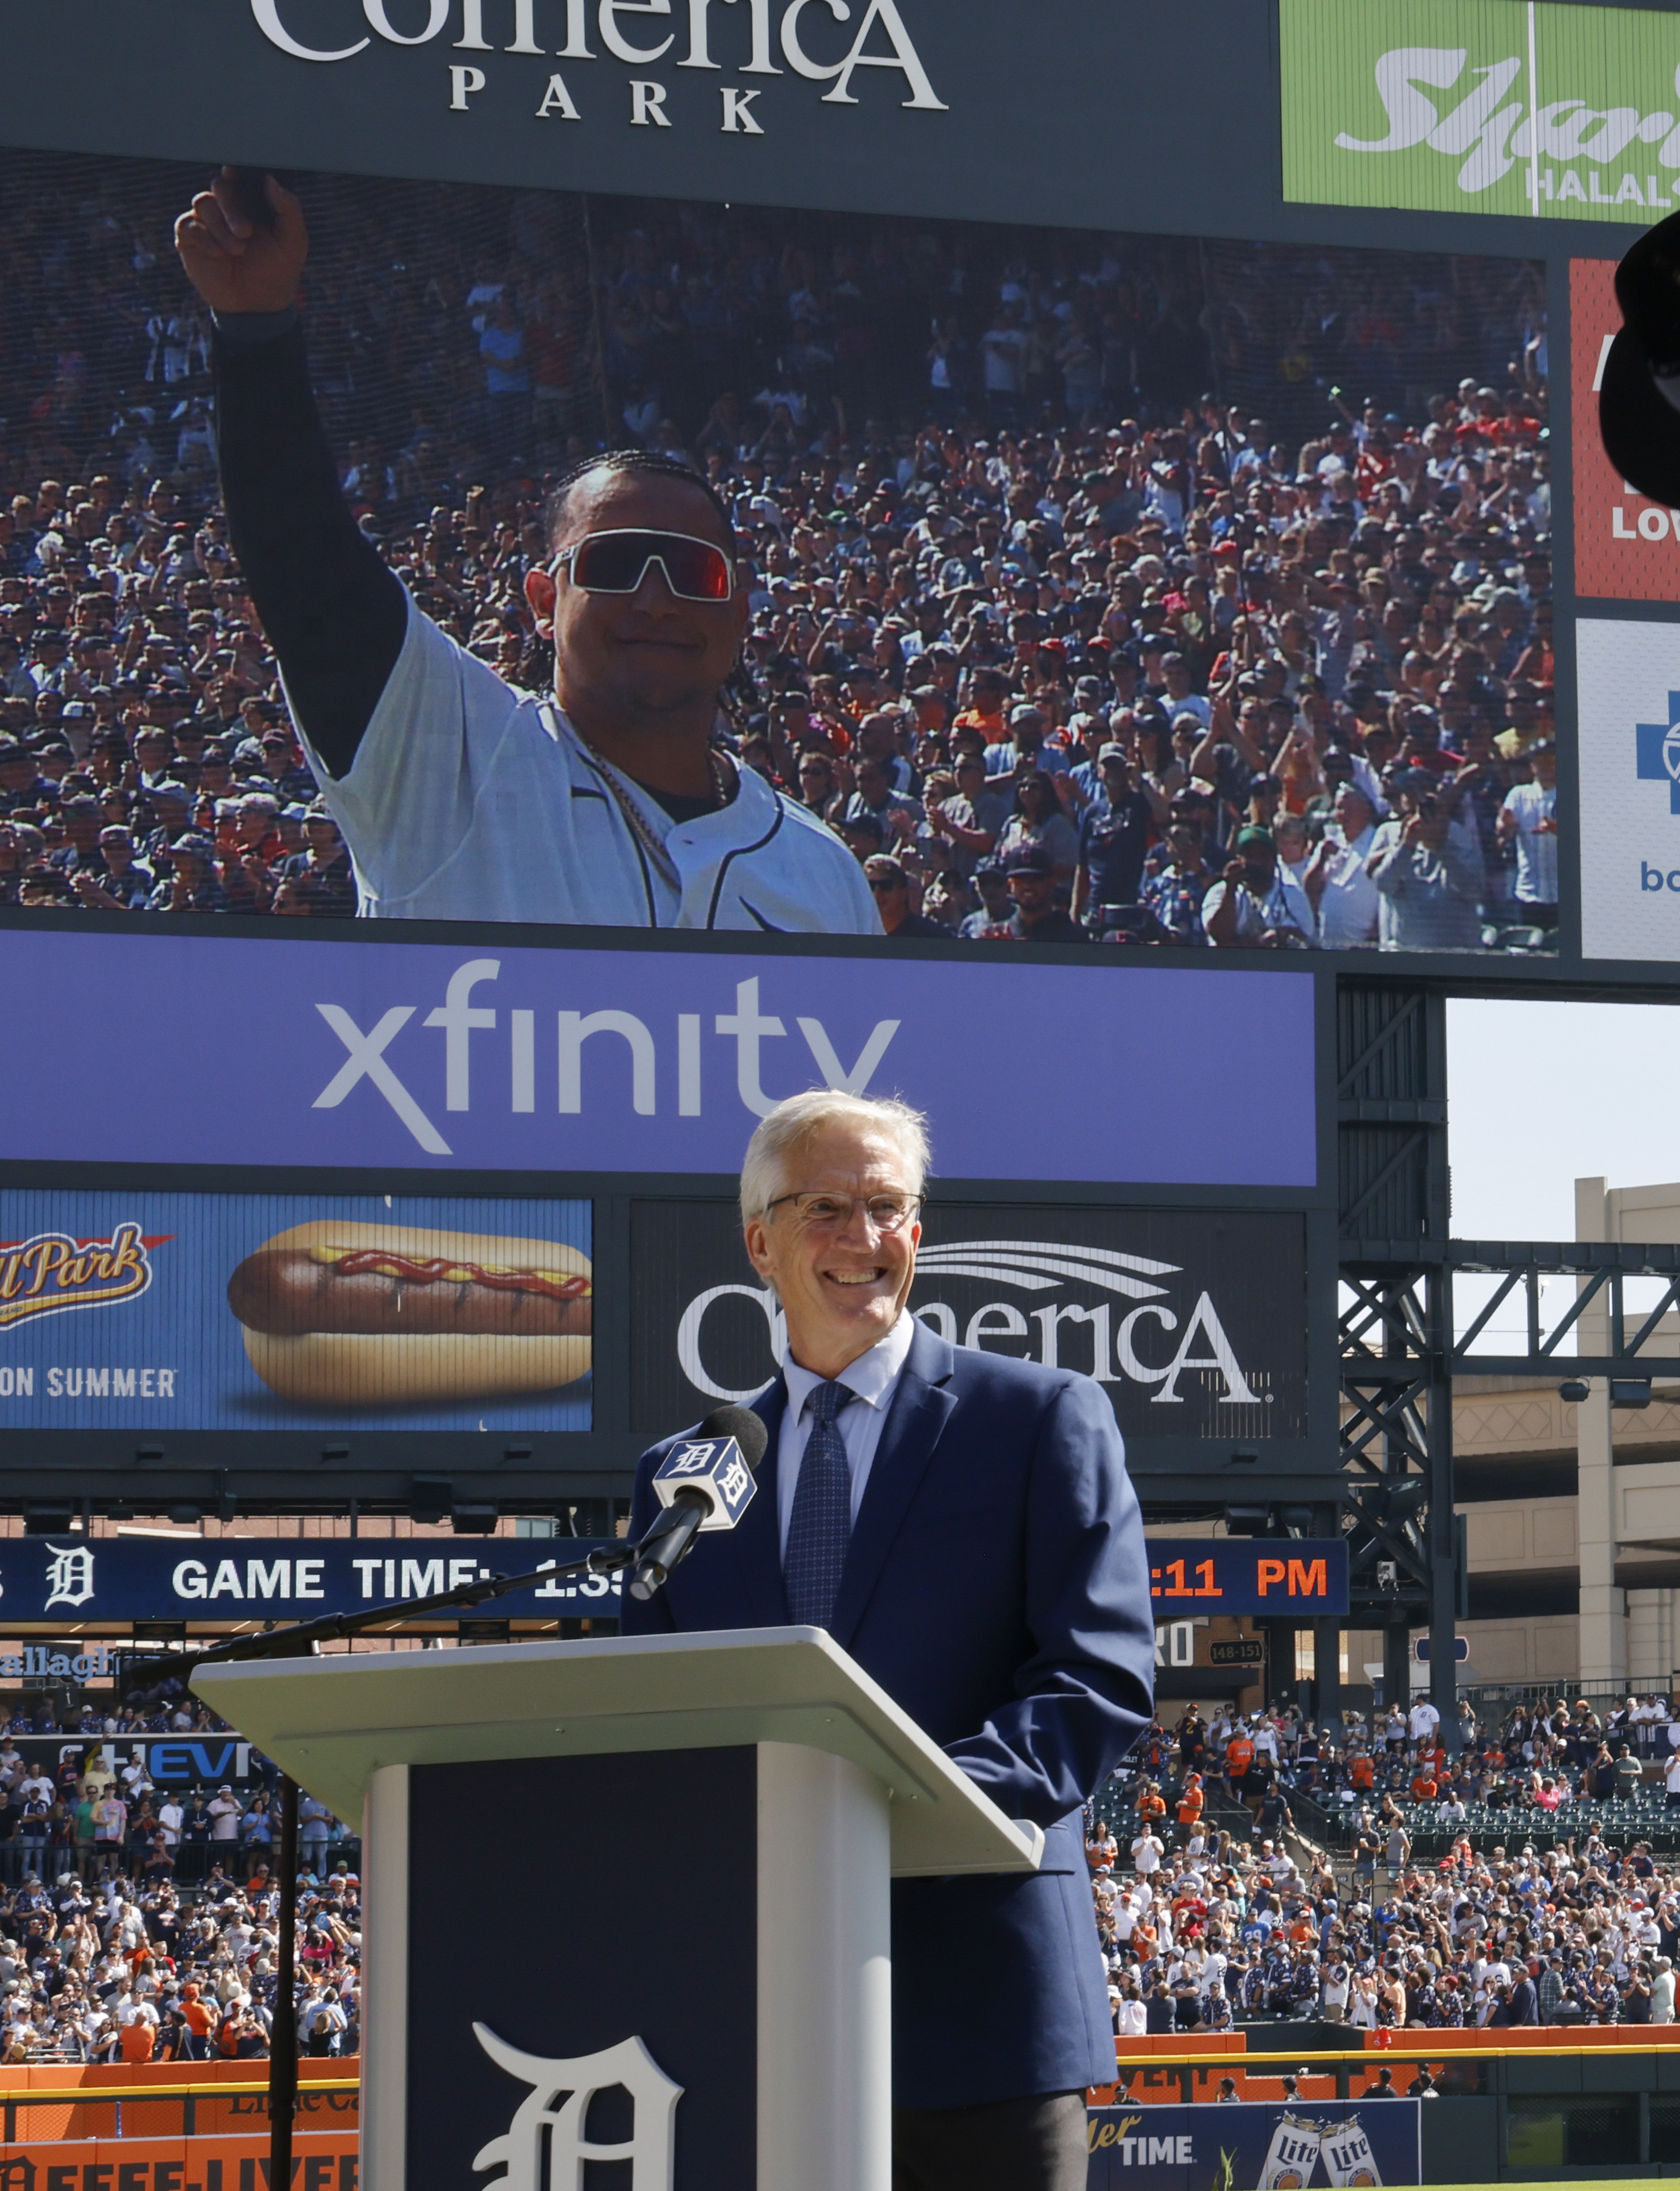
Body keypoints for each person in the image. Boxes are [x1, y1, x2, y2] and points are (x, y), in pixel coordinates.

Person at [624, 1087, 1154, 2190]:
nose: (863, 1239)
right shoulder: (686, 1478)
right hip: (744, 2027)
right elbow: (651, 1719)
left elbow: (1095, 1678)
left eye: (888, 1206)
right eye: (827, 1207)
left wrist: (894, 1810)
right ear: (758, 1242)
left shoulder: (1040, 1418)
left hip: (982, 2020)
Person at [172, 171, 873, 932]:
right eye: (612, 564)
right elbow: (307, 569)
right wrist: (255, 330)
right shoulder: (452, 760)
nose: (655, 598)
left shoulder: (823, 870)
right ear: (544, 600)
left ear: (739, 606)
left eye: (692, 571)